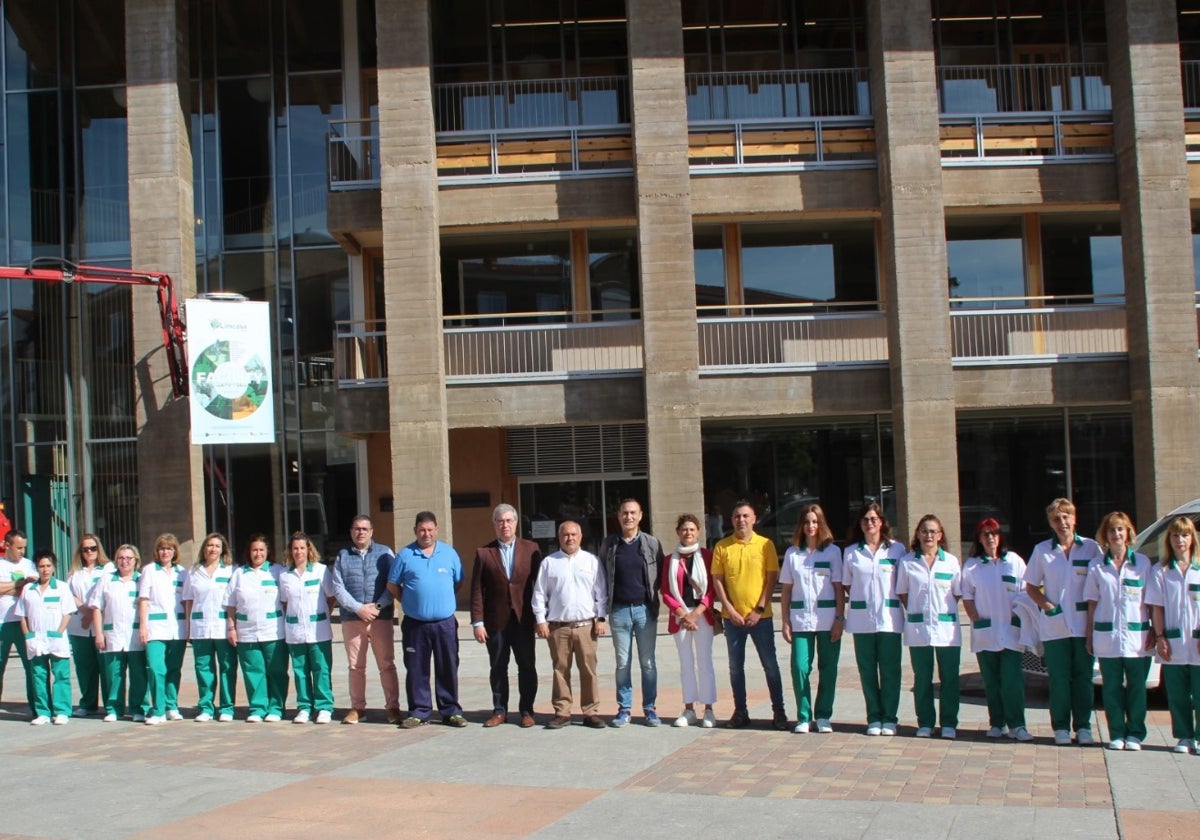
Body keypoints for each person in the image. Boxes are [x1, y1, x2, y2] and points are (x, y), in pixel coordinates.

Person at [1024, 498, 1103, 746]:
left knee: (1083, 678)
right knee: (1058, 679)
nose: (1062, 522)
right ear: (1050, 523)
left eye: (1066, 517)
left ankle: (1083, 727)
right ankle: (1060, 727)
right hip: (1055, 627)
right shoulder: (1042, 551)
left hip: (1083, 626)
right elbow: (1030, 586)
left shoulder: (1091, 549)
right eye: (1056, 519)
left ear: (1074, 518)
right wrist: (1048, 607)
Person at [711, 500, 788, 730]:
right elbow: (717, 580)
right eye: (736, 516)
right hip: (732, 619)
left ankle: (779, 712)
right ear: (731, 519)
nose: (741, 520)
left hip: (760, 619)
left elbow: (771, 578)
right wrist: (730, 610)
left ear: (754, 518)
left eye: (745, 516)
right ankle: (740, 711)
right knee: (736, 668)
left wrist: (759, 609)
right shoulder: (722, 547)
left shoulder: (765, 545)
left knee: (770, 666)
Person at [388, 511, 466, 729]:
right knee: (416, 669)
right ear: (415, 531)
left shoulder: (449, 554)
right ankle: (419, 711)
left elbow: (458, 582)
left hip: (445, 624)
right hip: (415, 624)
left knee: (448, 667)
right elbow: (392, 585)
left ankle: (451, 711)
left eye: (430, 529)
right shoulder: (405, 555)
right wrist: (408, 602)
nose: (426, 534)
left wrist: (441, 599)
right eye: (422, 530)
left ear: (437, 530)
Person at [1085, 511, 1153, 751]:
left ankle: (1135, 733)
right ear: (1105, 535)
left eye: (1120, 530)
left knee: (1137, 688)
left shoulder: (1142, 564)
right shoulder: (1096, 566)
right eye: (1112, 530)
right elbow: (1092, 603)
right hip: (1107, 637)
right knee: (1111, 688)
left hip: (1138, 638)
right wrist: (1090, 635)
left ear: (1128, 533)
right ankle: (1116, 732)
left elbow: (1151, 602)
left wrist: (1156, 631)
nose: (1116, 534)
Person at [470, 503, 542, 728]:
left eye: (509, 520)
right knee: (498, 666)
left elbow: (539, 586)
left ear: (516, 523)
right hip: (496, 622)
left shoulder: (532, 549)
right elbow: (476, 590)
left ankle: (527, 711)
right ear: (494, 524)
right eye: (500, 521)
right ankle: (500, 710)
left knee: (527, 666)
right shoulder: (484, 553)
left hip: (523, 620)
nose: (505, 525)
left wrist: (542, 618)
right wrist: (477, 622)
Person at [531, 520, 607, 729]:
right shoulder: (549, 562)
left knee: (588, 670)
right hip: (558, 627)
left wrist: (601, 618)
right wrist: (541, 620)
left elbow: (601, 593)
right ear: (559, 537)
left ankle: (590, 712)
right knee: (560, 670)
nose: (570, 538)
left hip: (586, 626)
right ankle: (562, 712)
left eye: (574, 534)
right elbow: (539, 594)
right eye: (565, 535)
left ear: (581, 536)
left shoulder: (591, 561)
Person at [961, 518, 1031, 741]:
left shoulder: (1014, 561)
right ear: (979, 539)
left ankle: (1017, 725)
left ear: (1000, 536)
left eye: (993, 533)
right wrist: (974, 618)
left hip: (1011, 630)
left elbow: (1026, 592)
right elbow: (967, 596)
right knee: (991, 681)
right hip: (985, 631)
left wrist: (1021, 619)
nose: (990, 538)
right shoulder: (972, 566)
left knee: (1012, 680)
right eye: (985, 534)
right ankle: (997, 723)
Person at [842, 503, 907, 736]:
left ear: (881, 522)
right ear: (860, 524)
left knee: (890, 670)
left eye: (874, 519)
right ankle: (873, 717)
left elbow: (903, 584)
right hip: (862, 620)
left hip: (890, 619)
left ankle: (889, 717)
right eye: (865, 520)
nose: (870, 523)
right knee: (867, 670)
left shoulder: (896, 550)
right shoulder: (851, 552)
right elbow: (847, 584)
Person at [779, 503, 844, 734]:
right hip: (800, 620)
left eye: (815, 521)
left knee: (828, 668)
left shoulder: (833, 552)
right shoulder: (792, 553)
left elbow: (838, 589)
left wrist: (840, 618)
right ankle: (804, 717)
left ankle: (824, 715)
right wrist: (785, 620)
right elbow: (786, 590)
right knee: (799, 667)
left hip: (827, 620)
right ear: (801, 525)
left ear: (821, 524)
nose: (811, 526)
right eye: (807, 522)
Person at [599, 498, 664, 727]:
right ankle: (624, 708)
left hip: (645, 611)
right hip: (619, 612)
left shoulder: (652, 544)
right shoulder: (610, 544)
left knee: (648, 663)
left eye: (633, 513)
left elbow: (662, 577)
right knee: (622, 663)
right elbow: (602, 578)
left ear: (641, 515)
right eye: (625, 513)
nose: (629, 517)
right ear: (618, 516)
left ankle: (649, 708)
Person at [896, 514, 962, 739]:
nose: (928, 535)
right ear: (918, 534)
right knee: (922, 677)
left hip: (947, 631)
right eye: (924, 531)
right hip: (919, 628)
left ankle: (949, 723)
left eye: (933, 531)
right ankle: (925, 722)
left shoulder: (951, 562)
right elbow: (903, 593)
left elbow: (957, 593)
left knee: (950, 678)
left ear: (940, 535)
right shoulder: (907, 562)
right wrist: (917, 610)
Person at [329, 515, 400, 725]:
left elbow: (393, 583)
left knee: (386, 664)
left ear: (372, 531)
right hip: (353, 619)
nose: (360, 532)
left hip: (380, 617)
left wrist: (377, 607)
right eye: (356, 529)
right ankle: (357, 708)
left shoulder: (385, 553)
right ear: (351, 531)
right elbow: (338, 588)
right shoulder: (343, 556)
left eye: (364, 529)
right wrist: (358, 608)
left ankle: (393, 707)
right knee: (355, 666)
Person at [1146, 516, 1200, 755]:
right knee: (1177, 694)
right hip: (1174, 641)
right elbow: (1157, 607)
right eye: (1176, 535)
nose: (1180, 540)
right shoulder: (1161, 571)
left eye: (1185, 535)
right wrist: (1159, 637)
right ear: (1169, 539)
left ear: (1192, 538)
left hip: (1197, 641)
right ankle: (1184, 737)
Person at [224, 534, 288, 722]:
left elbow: (287, 600)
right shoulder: (239, 573)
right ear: (249, 552)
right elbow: (230, 604)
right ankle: (258, 708)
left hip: (274, 631)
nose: (258, 553)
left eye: (261, 550)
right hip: (247, 631)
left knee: (276, 670)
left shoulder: (278, 572)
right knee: (253, 671)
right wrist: (231, 627)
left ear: (268, 552)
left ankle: (276, 708)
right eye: (254, 550)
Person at [662, 513, 717, 728]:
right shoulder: (670, 559)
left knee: (705, 662)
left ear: (699, 532)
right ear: (678, 532)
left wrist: (696, 613)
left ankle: (709, 709)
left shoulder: (707, 556)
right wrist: (684, 615)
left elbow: (712, 589)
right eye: (684, 529)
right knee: (686, 664)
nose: (688, 533)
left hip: (702, 615)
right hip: (680, 616)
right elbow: (666, 591)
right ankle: (689, 709)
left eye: (692, 529)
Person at [280, 532, 335, 724]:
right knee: (300, 670)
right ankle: (304, 707)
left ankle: (324, 707)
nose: (298, 552)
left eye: (302, 548)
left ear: (308, 549)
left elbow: (331, 596)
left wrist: (325, 613)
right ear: (290, 551)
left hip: (319, 630)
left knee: (321, 669)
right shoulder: (285, 575)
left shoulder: (320, 570)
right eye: (295, 548)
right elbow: (285, 602)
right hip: (295, 633)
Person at [89, 544, 149, 722]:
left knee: (138, 675)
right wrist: (99, 633)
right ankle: (114, 708)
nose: (125, 562)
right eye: (121, 558)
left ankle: (138, 708)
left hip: (135, 635)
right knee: (114, 674)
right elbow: (96, 607)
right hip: (112, 635)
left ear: (136, 560)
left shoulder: (142, 580)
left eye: (129, 558)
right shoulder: (106, 579)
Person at [182, 532, 236, 721]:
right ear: (204, 548)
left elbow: (234, 601)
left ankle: (227, 708)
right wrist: (188, 627)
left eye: (217, 546)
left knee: (227, 667)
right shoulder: (194, 572)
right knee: (203, 668)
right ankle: (206, 707)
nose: (213, 549)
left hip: (223, 628)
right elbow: (188, 600)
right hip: (200, 627)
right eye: (209, 545)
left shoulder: (230, 571)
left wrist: (233, 626)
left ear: (223, 550)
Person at [17, 549, 75, 724]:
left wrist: (59, 631)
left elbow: (68, 613)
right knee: (38, 675)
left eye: (48, 566)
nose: (45, 569)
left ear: (54, 567)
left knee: (61, 675)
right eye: (41, 566)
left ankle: (62, 711)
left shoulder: (62, 587)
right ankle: (43, 711)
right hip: (36, 639)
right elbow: (22, 615)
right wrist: (27, 635)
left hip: (56, 638)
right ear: (37, 568)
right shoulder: (28, 589)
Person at [138, 533, 188, 725]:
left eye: (169, 548)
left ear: (175, 551)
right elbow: (143, 599)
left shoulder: (182, 572)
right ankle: (158, 710)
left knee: (174, 669)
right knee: (157, 668)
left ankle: (171, 705)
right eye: (162, 548)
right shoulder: (149, 570)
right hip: (155, 628)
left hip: (177, 628)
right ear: (157, 551)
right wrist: (143, 627)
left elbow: (186, 601)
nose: (165, 551)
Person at [66, 534, 112, 717]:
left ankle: (111, 705)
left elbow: (107, 596)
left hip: (101, 624)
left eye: (93, 548)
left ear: (98, 549)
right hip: (79, 627)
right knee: (84, 667)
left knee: (106, 667)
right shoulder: (75, 572)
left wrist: (91, 615)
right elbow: (68, 594)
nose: (89, 552)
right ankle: (88, 703)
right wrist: (84, 611)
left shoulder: (108, 569)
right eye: (85, 549)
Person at [0, 529, 35, 714]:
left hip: (23, 622)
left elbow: (31, 588)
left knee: (30, 665)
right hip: (2, 622)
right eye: (19, 547)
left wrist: (7, 588)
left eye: (24, 548)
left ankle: (35, 705)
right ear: (7, 545)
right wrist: (17, 584)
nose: (22, 551)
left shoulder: (29, 565)